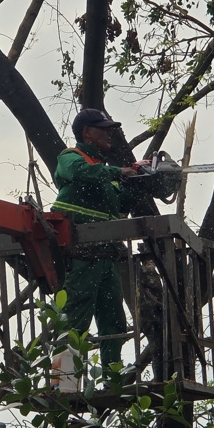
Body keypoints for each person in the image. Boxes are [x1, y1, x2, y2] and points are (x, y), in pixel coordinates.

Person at [51, 108, 141, 365]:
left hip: (106, 259)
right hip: (81, 257)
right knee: (74, 319)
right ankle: (63, 384)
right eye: (103, 128)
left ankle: (114, 380)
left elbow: (121, 202)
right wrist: (119, 171)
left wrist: (141, 183)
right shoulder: (71, 158)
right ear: (87, 133)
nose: (109, 133)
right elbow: (81, 173)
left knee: (114, 322)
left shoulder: (104, 172)